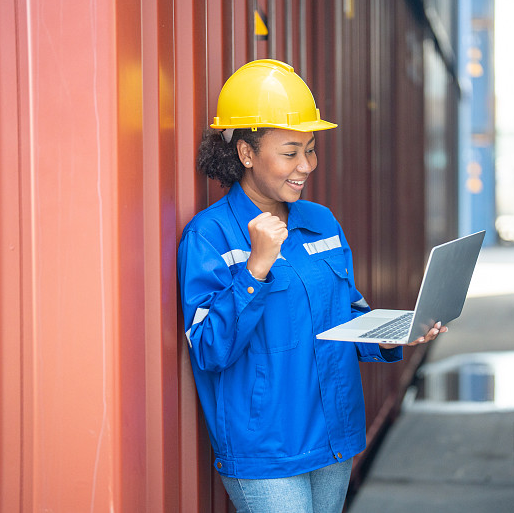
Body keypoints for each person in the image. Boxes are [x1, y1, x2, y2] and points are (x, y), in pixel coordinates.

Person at [177, 59, 446, 513]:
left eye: (311, 149)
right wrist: (255, 270)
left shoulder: (320, 223)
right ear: (246, 153)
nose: (306, 166)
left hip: (334, 435)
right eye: (290, 152)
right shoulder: (211, 236)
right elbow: (209, 350)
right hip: (268, 449)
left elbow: (348, 312)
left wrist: (397, 331)